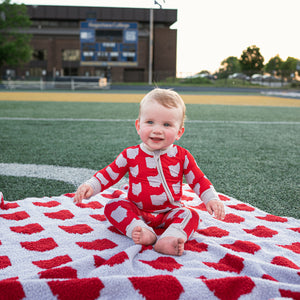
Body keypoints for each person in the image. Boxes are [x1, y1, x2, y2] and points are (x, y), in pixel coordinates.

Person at [74, 88, 225, 256]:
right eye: (150, 122)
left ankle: (170, 238)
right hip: (137, 210)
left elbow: (198, 180)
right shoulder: (130, 154)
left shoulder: (182, 156)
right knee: (113, 206)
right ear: (139, 126)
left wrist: (211, 199)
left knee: (191, 215)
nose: (157, 130)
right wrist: (91, 185)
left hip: (170, 212)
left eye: (167, 124)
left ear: (179, 132)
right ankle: (141, 231)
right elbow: (110, 173)